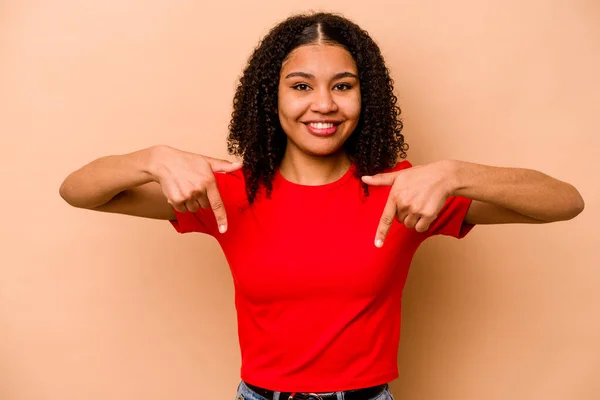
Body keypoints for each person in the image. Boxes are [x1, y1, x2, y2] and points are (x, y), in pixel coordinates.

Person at [59, 12, 584, 400]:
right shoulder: (228, 189)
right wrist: (153, 158)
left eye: (343, 86)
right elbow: (79, 191)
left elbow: (564, 202)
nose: (324, 104)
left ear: (365, 96)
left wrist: (454, 173)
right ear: (273, 98)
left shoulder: (405, 191)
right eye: (301, 86)